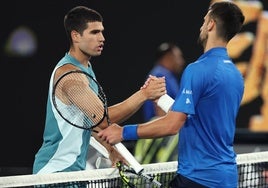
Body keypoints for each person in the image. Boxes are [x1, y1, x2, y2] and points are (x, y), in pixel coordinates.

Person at [98, 1, 245, 187]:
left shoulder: (197, 70)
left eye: (204, 20)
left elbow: (173, 125)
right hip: (227, 179)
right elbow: (201, 119)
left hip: (197, 179)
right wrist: (161, 99)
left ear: (211, 25)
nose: (201, 26)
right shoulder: (236, 75)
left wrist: (122, 132)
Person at [32, 6, 166, 174]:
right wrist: (144, 94)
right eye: (94, 32)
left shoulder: (85, 68)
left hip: (73, 172)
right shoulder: (69, 75)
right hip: (55, 174)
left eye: (102, 32)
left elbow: (92, 125)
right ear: (76, 36)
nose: (102, 38)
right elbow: (102, 120)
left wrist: (111, 150)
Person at [135, 42, 185, 164]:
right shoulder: (161, 74)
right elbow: (160, 109)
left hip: (163, 134)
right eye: (178, 57)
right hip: (161, 137)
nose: (182, 61)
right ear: (168, 57)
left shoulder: (166, 75)